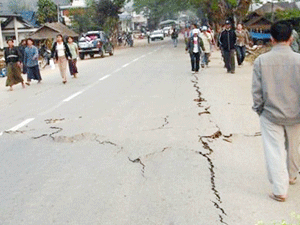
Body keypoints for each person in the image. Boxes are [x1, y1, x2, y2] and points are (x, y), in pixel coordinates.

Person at [252, 21, 300, 202]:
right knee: (294, 146)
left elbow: (256, 92)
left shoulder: (261, 61)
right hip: (296, 114)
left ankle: (280, 190)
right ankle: (292, 175)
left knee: (275, 150)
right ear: (291, 38)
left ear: (271, 39)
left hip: (271, 114)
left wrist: (259, 110)